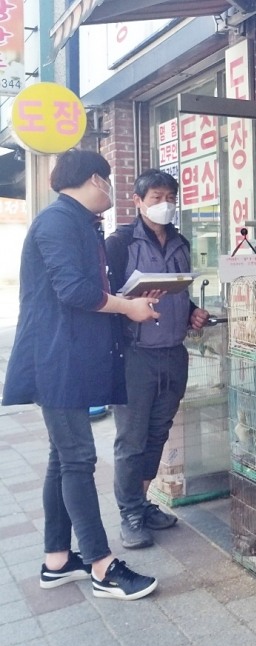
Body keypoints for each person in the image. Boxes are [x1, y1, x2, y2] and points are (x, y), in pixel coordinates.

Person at [2, 149, 160, 601]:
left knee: (62, 457)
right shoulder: (58, 222)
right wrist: (127, 306)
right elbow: (73, 291)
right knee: (77, 459)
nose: (110, 191)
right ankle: (101, 565)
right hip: (57, 359)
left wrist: (128, 298)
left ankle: (57, 560)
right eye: (108, 181)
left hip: (66, 356)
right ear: (95, 179)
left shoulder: (75, 222)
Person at [106, 169, 209, 549]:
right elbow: (104, 299)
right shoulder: (118, 244)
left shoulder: (180, 242)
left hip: (173, 352)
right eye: (155, 197)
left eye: (170, 197)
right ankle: (129, 512)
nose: (164, 204)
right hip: (135, 356)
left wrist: (193, 311)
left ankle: (143, 502)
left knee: (157, 433)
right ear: (137, 201)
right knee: (131, 439)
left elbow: (177, 292)